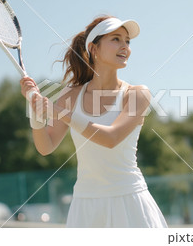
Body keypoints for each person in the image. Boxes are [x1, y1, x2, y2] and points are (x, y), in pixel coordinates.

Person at [20, 15, 167, 228]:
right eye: (116, 39)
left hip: (130, 201)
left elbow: (111, 137)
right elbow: (46, 146)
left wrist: (59, 112)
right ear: (94, 48)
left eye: (127, 41)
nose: (125, 46)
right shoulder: (70, 96)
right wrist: (36, 114)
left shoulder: (137, 94)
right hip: (85, 206)